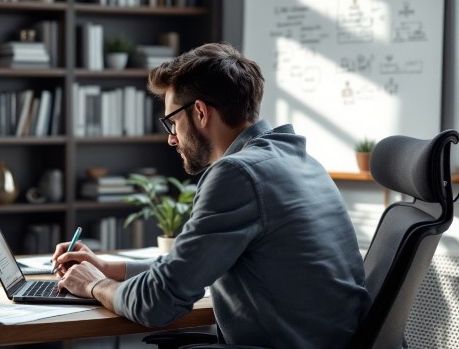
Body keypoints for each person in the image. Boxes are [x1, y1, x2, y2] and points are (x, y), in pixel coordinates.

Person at [53, 42, 370, 348]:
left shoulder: (237, 174)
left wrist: (93, 285)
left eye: (173, 122)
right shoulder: (300, 161)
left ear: (200, 112)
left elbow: (158, 303)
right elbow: (192, 265)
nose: (171, 139)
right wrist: (111, 269)